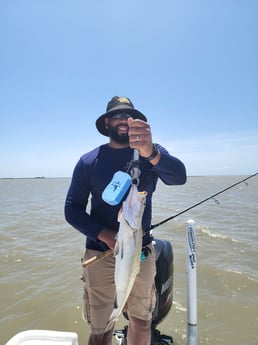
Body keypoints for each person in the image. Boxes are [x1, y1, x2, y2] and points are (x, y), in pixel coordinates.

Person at [64, 96, 186, 345]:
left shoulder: (152, 152)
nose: (124, 120)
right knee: (101, 327)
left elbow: (179, 177)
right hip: (100, 253)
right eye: (117, 115)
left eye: (129, 116)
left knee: (142, 320)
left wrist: (151, 153)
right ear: (107, 122)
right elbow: (72, 209)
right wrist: (105, 235)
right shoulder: (89, 161)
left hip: (140, 251)